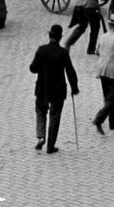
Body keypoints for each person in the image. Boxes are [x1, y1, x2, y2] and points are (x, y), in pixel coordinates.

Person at [30, 24, 80, 153]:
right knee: (55, 116)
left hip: (42, 88)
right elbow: (70, 71)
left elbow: (33, 68)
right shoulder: (63, 53)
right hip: (58, 90)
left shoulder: (41, 50)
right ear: (60, 38)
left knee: (41, 112)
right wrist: (74, 87)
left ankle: (41, 136)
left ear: (49, 35)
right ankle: (50, 146)